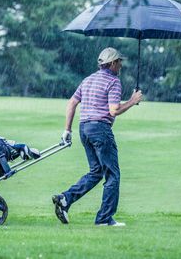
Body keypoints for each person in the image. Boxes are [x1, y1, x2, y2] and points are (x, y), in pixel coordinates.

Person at [52, 47, 143, 227]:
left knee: (96, 172)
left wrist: (67, 130)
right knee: (112, 175)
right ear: (112, 63)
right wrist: (133, 101)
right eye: (119, 62)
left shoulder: (88, 79)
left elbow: (72, 103)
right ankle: (104, 219)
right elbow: (114, 110)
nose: (121, 65)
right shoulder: (114, 81)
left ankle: (65, 199)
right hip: (100, 129)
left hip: (83, 129)